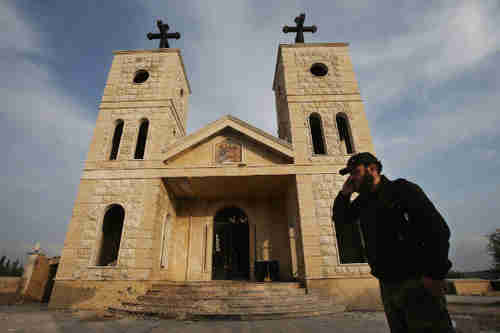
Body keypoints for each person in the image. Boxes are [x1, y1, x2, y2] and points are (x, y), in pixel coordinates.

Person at [332, 152, 455, 333]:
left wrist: (434, 275)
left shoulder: (401, 190)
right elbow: (341, 220)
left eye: (356, 172)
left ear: (372, 169)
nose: (352, 178)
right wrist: (344, 194)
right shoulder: (363, 202)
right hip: (388, 285)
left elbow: (438, 231)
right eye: (350, 173)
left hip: (417, 281)